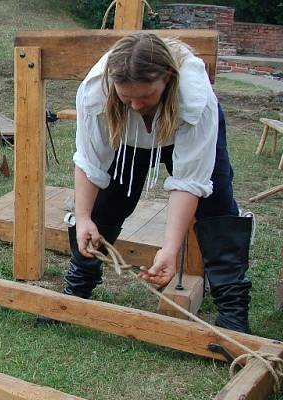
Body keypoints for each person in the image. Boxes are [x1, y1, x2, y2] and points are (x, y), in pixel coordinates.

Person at [59, 33, 254, 333]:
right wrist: (83, 218)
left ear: (168, 78)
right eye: (127, 97)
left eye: (146, 96)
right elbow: (90, 160)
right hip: (128, 137)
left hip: (184, 129)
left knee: (217, 203)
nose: (136, 105)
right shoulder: (95, 92)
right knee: (109, 202)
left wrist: (169, 249)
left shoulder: (194, 98)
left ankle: (232, 313)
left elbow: (189, 181)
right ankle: (76, 292)